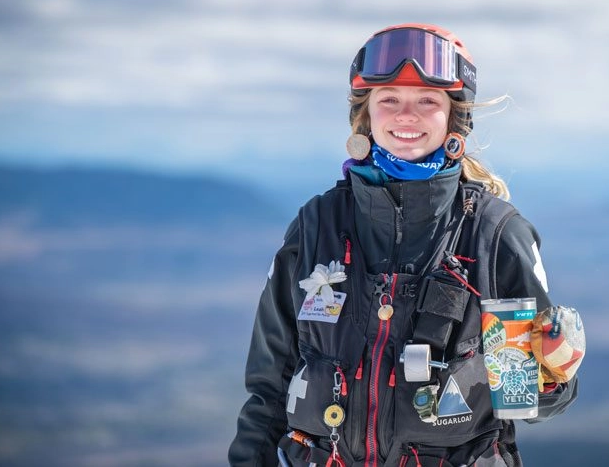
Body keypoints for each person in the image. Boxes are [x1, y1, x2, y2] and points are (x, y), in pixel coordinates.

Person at [229, 23, 580, 467]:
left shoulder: (494, 235)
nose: (405, 115)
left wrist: (550, 374)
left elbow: (533, 401)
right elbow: (269, 386)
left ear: (455, 117)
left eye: (427, 102)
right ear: (366, 114)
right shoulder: (317, 225)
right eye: (389, 99)